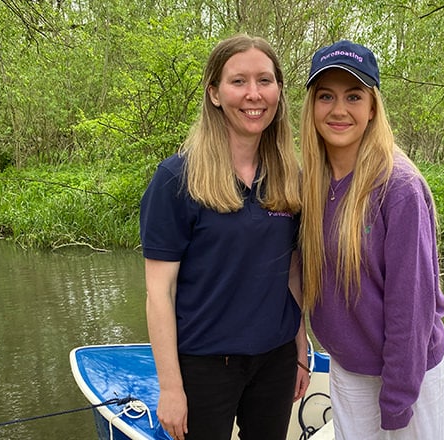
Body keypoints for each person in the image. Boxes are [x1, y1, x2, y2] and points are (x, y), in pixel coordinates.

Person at [140, 34, 310, 440]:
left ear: (279, 91)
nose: (254, 94)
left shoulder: (291, 177)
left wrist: (301, 346)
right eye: (238, 81)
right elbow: (158, 292)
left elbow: (291, 273)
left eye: (265, 80)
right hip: (204, 365)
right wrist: (170, 387)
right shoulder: (176, 179)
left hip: (275, 358)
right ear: (214, 93)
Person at [299, 40, 444, 439]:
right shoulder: (310, 184)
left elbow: (411, 307)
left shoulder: (399, 189)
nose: (338, 109)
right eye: (326, 96)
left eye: (354, 95)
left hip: (408, 372)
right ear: (312, 106)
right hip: (349, 368)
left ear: (372, 108)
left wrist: (398, 400)